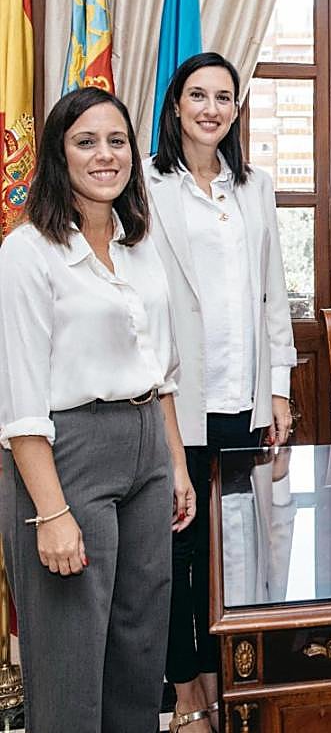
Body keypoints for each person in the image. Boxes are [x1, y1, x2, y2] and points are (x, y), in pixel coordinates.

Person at [0, 87, 196, 731]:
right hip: (66, 455)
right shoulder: (27, 253)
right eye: (86, 141)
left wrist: (175, 465)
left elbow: (160, 368)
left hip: (146, 445)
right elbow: (20, 402)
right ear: (59, 155)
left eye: (117, 142)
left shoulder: (139, 243)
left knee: (141, 646)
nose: (106, 155)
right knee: (69, 658)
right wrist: (51, 514)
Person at [146, 51, 297, 731]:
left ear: (236, 110)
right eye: (198, 95)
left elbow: (272, 294)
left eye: (224, 97)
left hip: (244, 398)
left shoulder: (254, 186)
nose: (211, 108)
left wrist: (279, 390)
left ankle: (220, 678)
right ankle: (182, 693)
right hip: (177, 401)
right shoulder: (147, 186)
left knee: (230, 551)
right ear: (176, 105)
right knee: (174, 551)